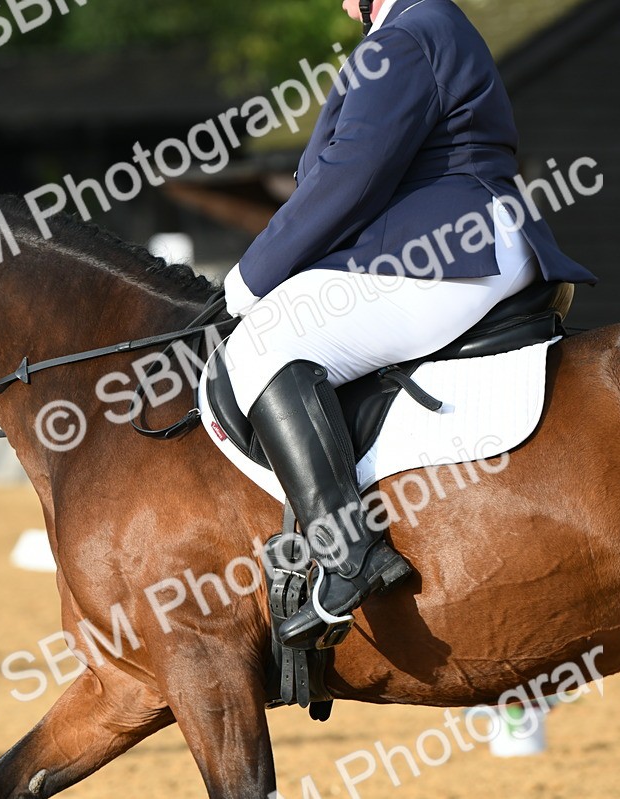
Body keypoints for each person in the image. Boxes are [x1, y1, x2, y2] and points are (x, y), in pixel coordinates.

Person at [223, 0, 598, 649]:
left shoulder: (408, 34)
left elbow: (352, 176)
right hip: (458, 244)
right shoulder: (425, 26)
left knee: (262, 339)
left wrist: (254, 274)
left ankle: (350, 554)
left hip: (451, 252)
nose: (342, 3)